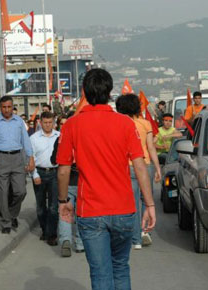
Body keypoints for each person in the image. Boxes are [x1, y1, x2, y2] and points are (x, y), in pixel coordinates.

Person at [57, 68, 155, 290]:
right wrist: (149, 204)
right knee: (120, 267)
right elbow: (140, 166)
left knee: (100, 273)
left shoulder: (72, 125)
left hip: (90, 211)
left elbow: (63, 170)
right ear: (109, 92)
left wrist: (63, 201)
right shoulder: (125, 124)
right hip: (123, 209)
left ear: (85, 92)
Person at [0, 96, 35, 234]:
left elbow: (26, 140)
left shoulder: (19, 121)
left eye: (9, 107)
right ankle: (6, 222)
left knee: (20, 191)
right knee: (2, 192)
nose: (6, 109)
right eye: (4, 107)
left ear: (12, 107)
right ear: (0, 107)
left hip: (17, 158)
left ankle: (11, 214)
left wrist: (30, 158)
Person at [116, 94, 162, 249]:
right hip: (146, 164)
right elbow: (151, 147)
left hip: (128, 167)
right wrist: (157, 167)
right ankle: (144, 231)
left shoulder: (120, 124)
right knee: (146, 200)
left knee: (133, 203)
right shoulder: (145, 124)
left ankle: (136, 239)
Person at [51, 111, 84, 257]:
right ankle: (80, 243)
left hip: (66, 181)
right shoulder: (85, 139)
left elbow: (54, 160)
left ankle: (65, 239)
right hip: (83, 182)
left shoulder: (60, 140)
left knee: (65, 209)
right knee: (81, 214)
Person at [30, 111, 60, 245]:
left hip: (55, 173)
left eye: (50, 122)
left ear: (53, 123)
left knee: (54, 206)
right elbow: (31, 158)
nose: (48, 125)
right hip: (39, 173)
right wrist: (34, 174)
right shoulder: (34, 138)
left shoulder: (59, 137)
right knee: (41, 206)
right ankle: (44, 230)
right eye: (45, 122)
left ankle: (52, 234)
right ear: (40, 123)